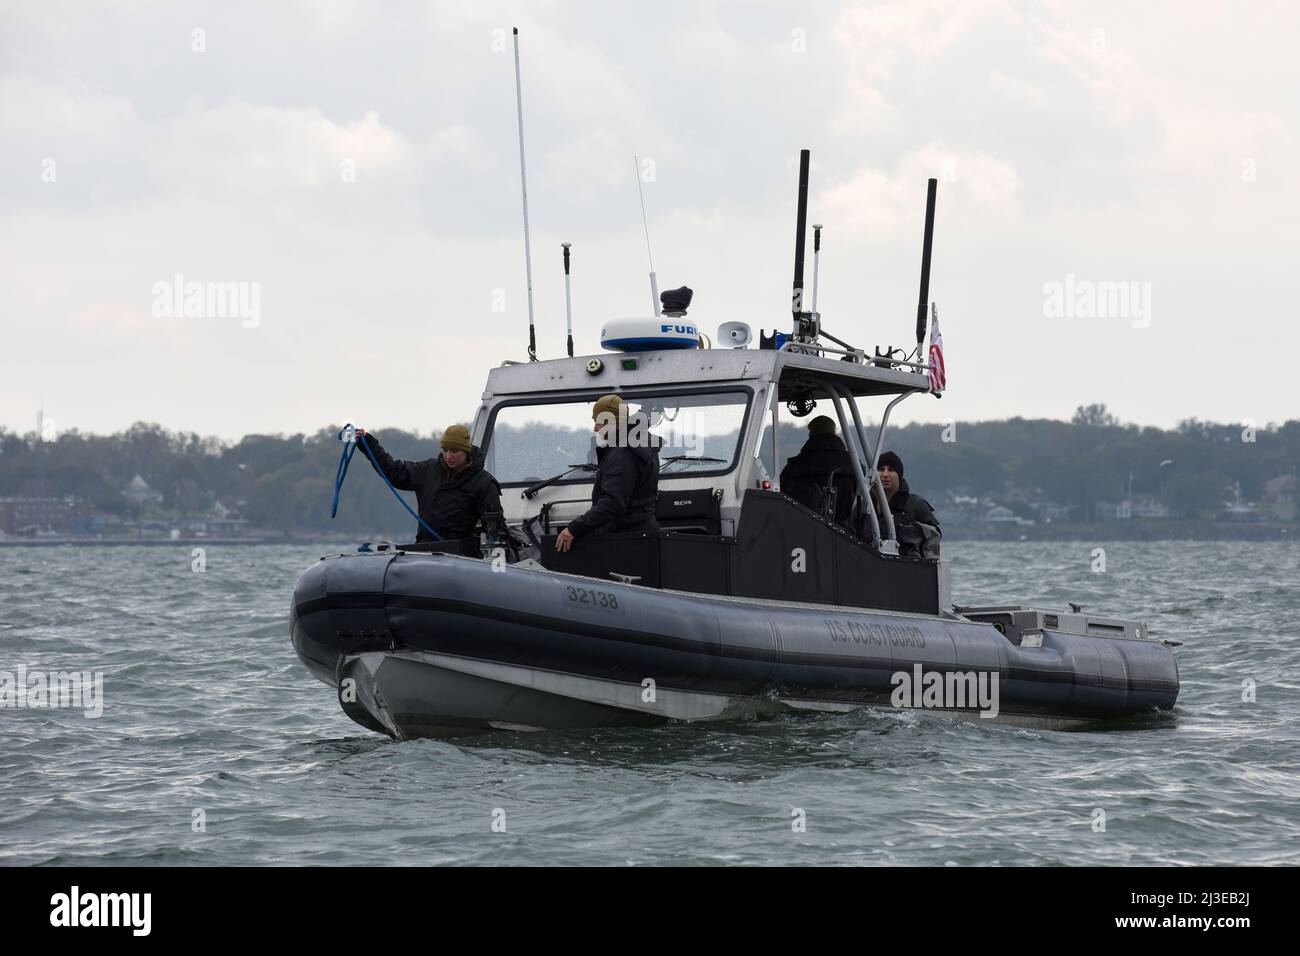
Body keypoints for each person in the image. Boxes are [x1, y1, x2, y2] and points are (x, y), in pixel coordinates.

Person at [353, 424, 504, 544]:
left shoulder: (484, 483)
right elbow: (394, 472)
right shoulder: (428, 471)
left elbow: (495, 530)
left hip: (463, 554)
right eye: (445, 450)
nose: (448, 456)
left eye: (454, 451)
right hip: (426, 551)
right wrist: (368, 444)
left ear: (466, 451)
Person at [555, 395, 659, 552]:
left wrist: (574, 528)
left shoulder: (622, 453)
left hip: (624, 541)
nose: (595, 429)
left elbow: (613, 504)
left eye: (598, 422)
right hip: (642, 535)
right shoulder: (639, 443)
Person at [779, 415, 858, 526]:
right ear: (833, 432)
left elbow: (784, 499)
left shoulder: (794, 467)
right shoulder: (854, 466)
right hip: (846, 534)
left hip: (800, 529)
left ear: (811, 434)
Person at [875, 450, 941, 557]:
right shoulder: (865, 505)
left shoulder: (917, 505)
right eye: (881, 470)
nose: (885, 474)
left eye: (891, 470)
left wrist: (907, 533)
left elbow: (934, 536)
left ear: (899, 476)